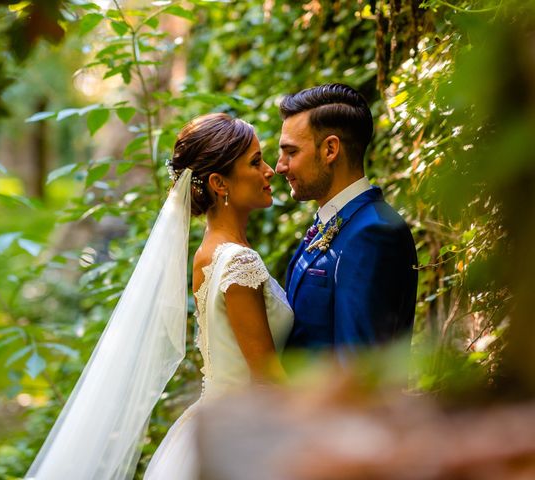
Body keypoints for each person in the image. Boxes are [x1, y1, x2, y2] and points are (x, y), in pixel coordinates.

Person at [25, 113, 293, 480]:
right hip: (243, 431)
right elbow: (267, 378)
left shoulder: (208, 254)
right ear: (219, 183)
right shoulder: (238, 261)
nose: (269, 171)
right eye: (255, 161)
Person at [276, 83, 417, 354]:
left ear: (330, 149)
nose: (280, 166)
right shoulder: (335, 222)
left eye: (291, 152)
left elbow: (358, 367)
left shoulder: (374, 233)